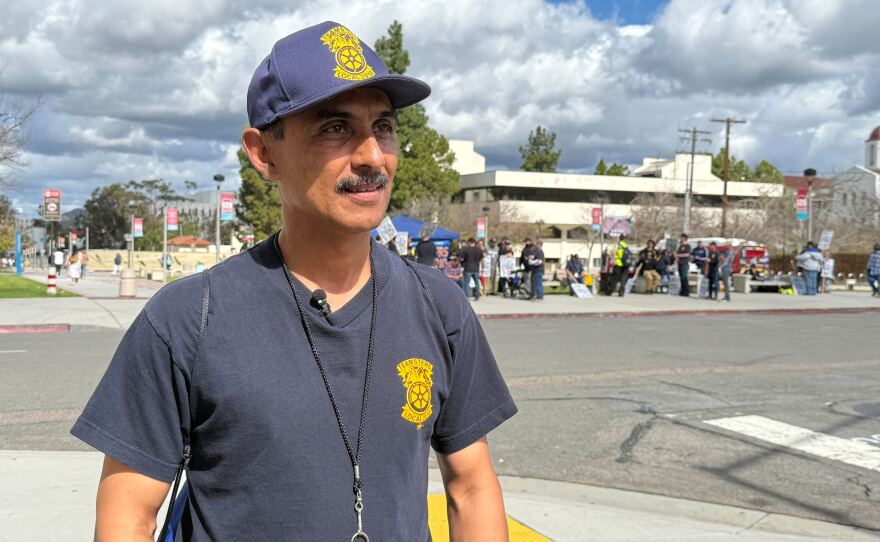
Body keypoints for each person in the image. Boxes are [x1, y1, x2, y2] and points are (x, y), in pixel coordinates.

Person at [71, 22, 515, 542]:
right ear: (264, 153)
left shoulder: (439, 306)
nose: (372, 156)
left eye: (384, 127)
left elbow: (471, 487)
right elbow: (128, 515)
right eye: (336, 128)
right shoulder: (188, 318)